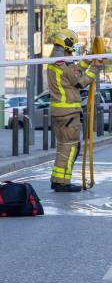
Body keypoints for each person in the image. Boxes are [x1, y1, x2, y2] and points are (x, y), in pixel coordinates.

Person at [45, 29, 97, 193]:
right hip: (68, 113)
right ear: (66, 43)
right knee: (70, 148)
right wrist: (95, 68)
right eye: (72, 44)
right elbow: (80, 82)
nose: (72, 48)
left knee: (63, 147)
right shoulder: (64, 63)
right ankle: (62, 183)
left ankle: (57, 179)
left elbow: (74, 72)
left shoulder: (56, 61)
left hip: (59, 112)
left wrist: (87, 61)